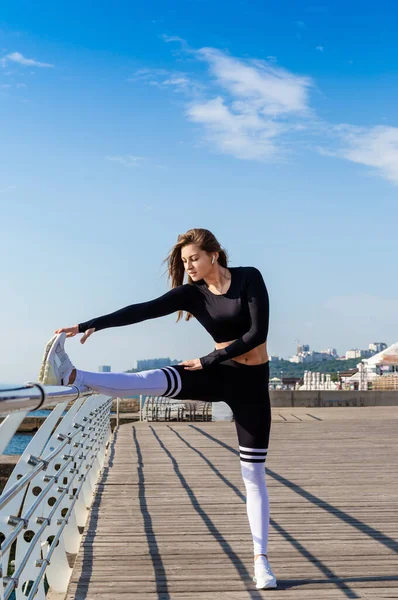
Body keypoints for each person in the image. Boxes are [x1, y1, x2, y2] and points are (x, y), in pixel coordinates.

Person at [38, 228, 277, 590]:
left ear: (214, 254)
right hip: (215, 372)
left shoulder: (248, 278)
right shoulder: (191, 294)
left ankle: (261, 561)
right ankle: (75, 374)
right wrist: (88, 325)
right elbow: (142, 311)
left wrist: (209, 357)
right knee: (150, 379)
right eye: (184, 262)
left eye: (193, 258)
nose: (189, 266)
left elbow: (257, 334)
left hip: (251, 385)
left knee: (253, 476)